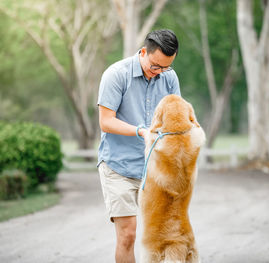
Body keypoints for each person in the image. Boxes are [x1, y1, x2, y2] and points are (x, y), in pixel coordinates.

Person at [97, 29, 180, 263]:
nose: (159, 73)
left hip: (155, 169)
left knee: (162, 235)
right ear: (143, 52)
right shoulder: (115, 74)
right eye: (155, 66)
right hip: (118, 166)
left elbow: (174, 117)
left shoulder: (169, 76)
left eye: (165, 67)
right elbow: (106, 122)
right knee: (128, 235)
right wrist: (140, 131)